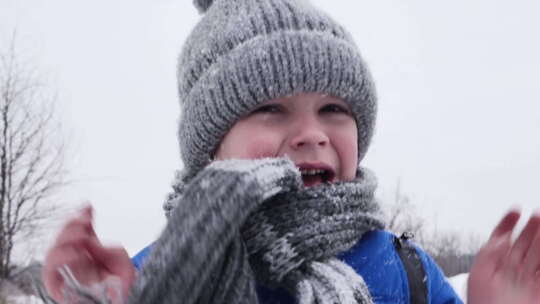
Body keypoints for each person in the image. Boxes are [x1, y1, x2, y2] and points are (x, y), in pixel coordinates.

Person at [41, 0, 540, 303]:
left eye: (332, 109)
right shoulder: (164, 275)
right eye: (272, 110)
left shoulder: (404, 267)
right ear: (211, 147)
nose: (312, 134)